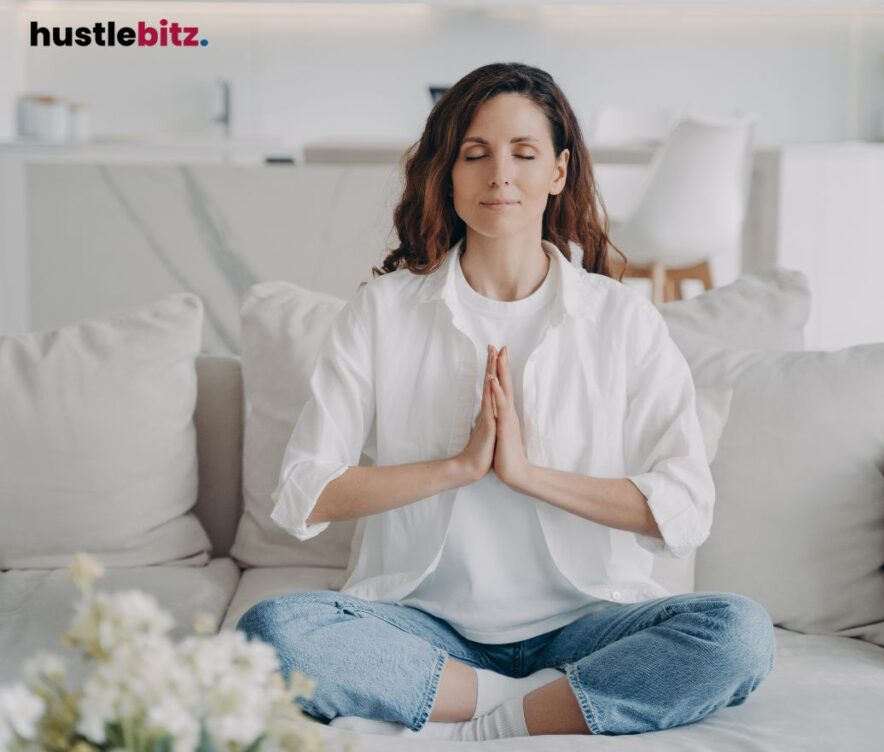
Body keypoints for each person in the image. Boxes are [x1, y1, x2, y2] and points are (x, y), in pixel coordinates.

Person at [237, 62, 775, 742]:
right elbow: (302, 494)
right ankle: (532, 703)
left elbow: (686, 509)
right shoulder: (381, 314)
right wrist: (458, 467)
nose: (499, 176)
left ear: (558, 171)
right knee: (272, 632)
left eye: (524, 153)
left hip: (588, 623)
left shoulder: (623, 320)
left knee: (739, 635)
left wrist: (528, 476)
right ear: (447, 173)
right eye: (475, 154)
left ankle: (490, 717)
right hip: (423, 627)